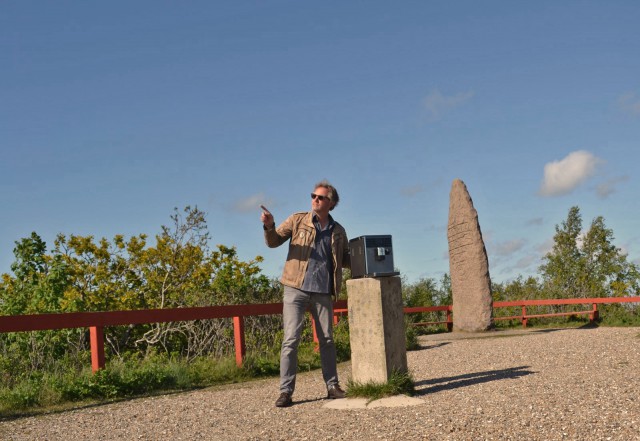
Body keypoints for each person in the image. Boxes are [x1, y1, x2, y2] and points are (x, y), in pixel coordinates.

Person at [261, 180, 350, 408]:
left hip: (323, 292)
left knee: (327, 340)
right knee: (290, 340)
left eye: (320, 197)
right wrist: (269, 226)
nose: (315, 200)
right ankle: (285, 392)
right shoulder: (298, 220)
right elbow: (273, 242)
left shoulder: (338, 232)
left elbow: (348, 260)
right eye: (313, 196)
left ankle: (332, 386)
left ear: (331, 203)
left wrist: (371, 261)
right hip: (295, 288)